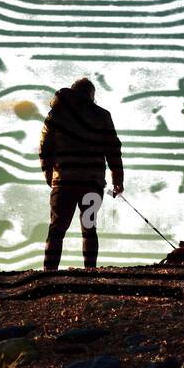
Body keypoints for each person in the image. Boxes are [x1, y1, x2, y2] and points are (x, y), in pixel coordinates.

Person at [38, 77, 123, 270]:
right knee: (89, 228)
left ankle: (49, 273)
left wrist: (50, 177)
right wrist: (117, 180)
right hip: (91, 184)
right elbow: (113, 150)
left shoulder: (55, 115)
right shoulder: (102, 116)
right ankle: (90, 271)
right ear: (91, 95)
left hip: (64, 183)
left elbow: (45, 149)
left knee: (57, 230)